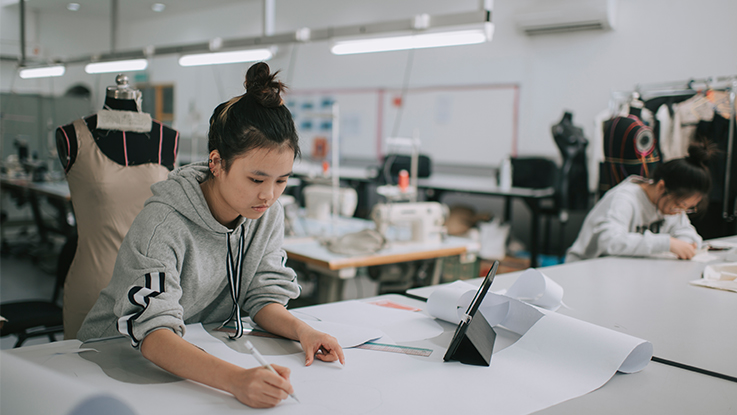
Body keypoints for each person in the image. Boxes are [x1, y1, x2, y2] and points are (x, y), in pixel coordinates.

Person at [78, 62, 344, 408]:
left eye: (282, 180)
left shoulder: (265, 214)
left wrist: (303, 331)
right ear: (216, 163)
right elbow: (153, 332)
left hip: (192, 354)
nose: (269, 195)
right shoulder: (163, 223)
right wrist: (235, 380)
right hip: (110, 358)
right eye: (256, 180)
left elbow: (262, 295)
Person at [56, 74, 178, 339]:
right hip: (93, 283)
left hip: (150, 288)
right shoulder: (72, 135)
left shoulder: (166, 138)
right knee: (78, 372)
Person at [565, 142, 713, 263]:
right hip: (587, 267)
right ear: (661, 187)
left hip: (627, 269)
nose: (680, 212)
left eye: (687, 208)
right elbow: (610, 241)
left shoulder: (671, 204)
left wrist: (685, 244)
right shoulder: (625, 199)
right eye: (680, 205)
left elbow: (686, 232)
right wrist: (668, 243)